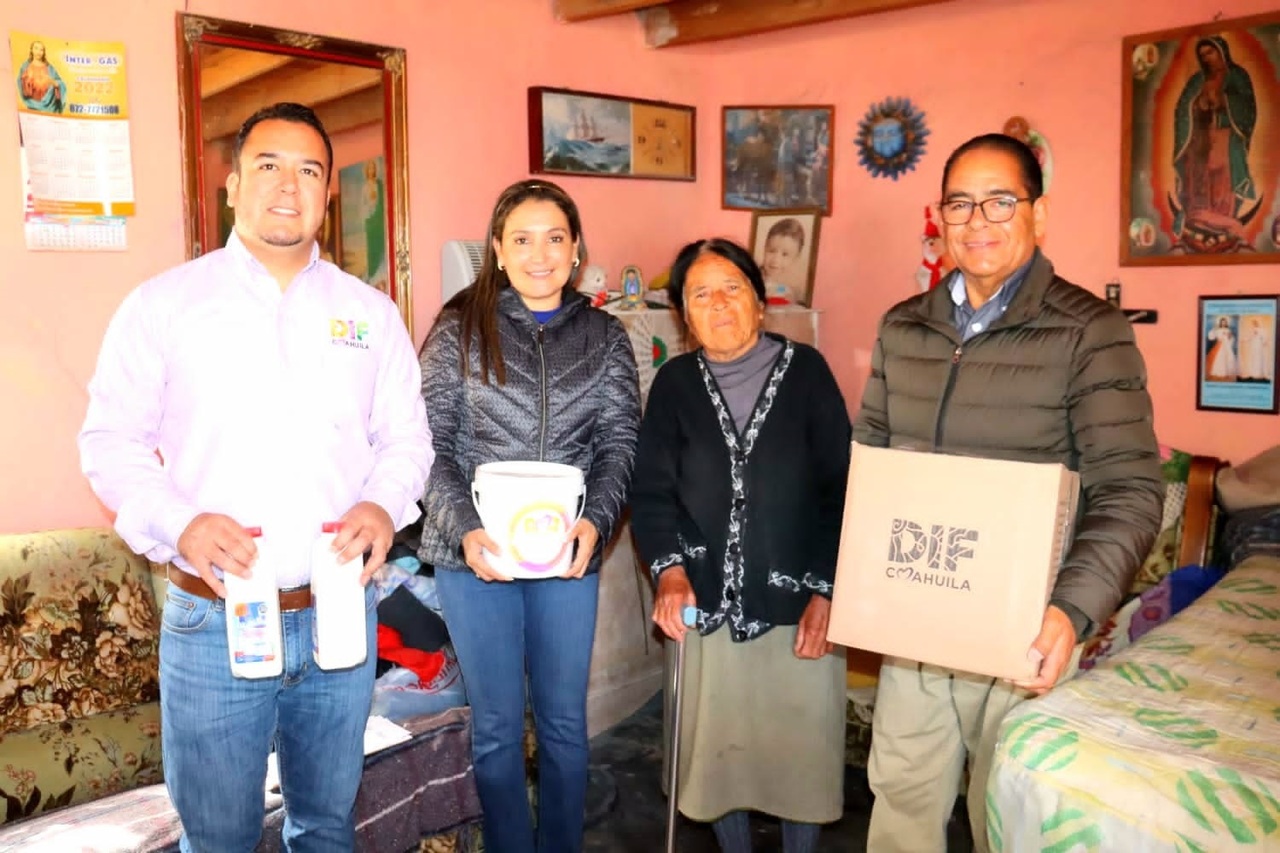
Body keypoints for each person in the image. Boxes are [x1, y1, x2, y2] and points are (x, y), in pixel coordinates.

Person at [78, 102, 434, 851]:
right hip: (214, 619)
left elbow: (407, 438)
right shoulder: (164, 306)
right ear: (233, 184)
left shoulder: (370, 314)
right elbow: (110, 442)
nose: (287, 185)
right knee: (218, 840)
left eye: (308, 170)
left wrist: (382, 502)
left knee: (327, 828)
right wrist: (181, 522)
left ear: (328, 193)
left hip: (339, 612)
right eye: (267, 165)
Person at [855, 133, 1163, 853]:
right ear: (940, 217)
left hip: (1024, 622)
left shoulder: (1088, 330)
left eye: (1000, 201)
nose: (977, 221)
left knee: (1005, 814)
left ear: (1038, 214)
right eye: (959, 204)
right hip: (916, 612)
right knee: (899, 797)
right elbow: (869, 463)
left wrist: (1071, 611)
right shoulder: (904, 326)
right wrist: (863, 581)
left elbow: (1129, 488)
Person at [417, 179, 640, 853]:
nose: (538, 255)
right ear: (497, 248)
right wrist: (464, 529)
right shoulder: (459, 328)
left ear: (575, 251)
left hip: (565, 553)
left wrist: (598, 521)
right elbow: (426, 444)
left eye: (554, 239)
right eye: (521, 239)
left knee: (565, 724)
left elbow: (619, 443)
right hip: (474, 557)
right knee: (495, 727)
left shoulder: (604, 336)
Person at [631, 237, 851, 853]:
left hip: (798, 601)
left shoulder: (807, 372)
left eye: (733, 288)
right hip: (706, 600)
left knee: (799, 753)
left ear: (759, 300)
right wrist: (670, 572)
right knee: (717, 756)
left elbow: (843, 487)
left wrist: (826, 591)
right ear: (684, 314)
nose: (719, 304)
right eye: (701, 294)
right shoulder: (675, 384)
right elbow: (652, 490)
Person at [1171, 36, 1258, 245]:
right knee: (1199, 176)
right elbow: (1182, 108)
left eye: (1210, 52)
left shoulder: (1237, 75)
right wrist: (1198, 104)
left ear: (1221, 51)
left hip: (1225, 136)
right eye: (1202, 55)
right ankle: (1204, 216)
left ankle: (1222, 218)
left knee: (1222, 177)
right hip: (1200, 137)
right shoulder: (1196, 80)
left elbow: (1248, 106)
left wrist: (1223, 101)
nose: (1206, 58)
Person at [758, 216, 805, 300]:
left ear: (796, 258)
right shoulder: (756, 278)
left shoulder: (789, 285)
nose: (776, 260)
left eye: (785, 254)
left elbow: (781, 289)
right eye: (771, 251)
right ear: (765, 248)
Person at [16, 40, 67, 114]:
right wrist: (27, 82)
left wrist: (55, 83)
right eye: (36, 48)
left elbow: (60, 83)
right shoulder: (25, 67)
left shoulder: (49, 67)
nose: (38, 52)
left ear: (44, 52)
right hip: (32, 106)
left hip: (49, 106)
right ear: (31, 50)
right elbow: (21, 85)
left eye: (41, 50)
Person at [1239, 316, 1273, 381]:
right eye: (1254, 323)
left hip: (1259, 345)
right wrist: (1243, 340)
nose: (1255, 324)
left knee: (1259, 358)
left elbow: (1265, 338)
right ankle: (1254, 373)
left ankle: (1259, 373)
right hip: (1253, 345)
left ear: (1258, 323)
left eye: (1256, 323)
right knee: (1254, 358)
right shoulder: (1252, 330)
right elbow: (1249, 337)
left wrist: (1260, 336)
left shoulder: (1262, 330)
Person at [1206, 315, 1239, 381]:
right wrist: (1214, 330)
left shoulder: (1228, 330)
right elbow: (1211, 337)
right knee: (1221, 357)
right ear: (1220, 323)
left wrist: (1229, 336)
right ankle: (1220, 372)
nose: (1223, 323)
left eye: (1225, 322)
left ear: (1226, 323)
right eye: (1222, 322)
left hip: (1227, 345)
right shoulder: (1218, 330)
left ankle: (1227, 372)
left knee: (1229, 357)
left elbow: (1231, 339)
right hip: (1220, 345)